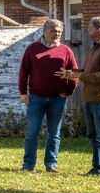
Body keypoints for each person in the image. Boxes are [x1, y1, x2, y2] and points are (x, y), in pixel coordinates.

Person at [58, 16, 100, 177]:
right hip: (91, 97)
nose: (87, 30)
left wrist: (80, 77)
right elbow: (89, 72)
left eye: (90, 27)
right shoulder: (96, 48)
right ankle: (97, 168)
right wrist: (72, 74)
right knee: (93, 135)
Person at [17, 18, 78, 172]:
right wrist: (23, 93)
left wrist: (68, 91)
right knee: (32, 132)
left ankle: (51, 164)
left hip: (57, 98)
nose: (56, 33)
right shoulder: (33, 48)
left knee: (54, 133)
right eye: (53, 30)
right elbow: (24, 72)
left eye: (59, 31)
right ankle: (28, 164)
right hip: (36, 98)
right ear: (45, 31)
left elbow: (74, 73)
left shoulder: (66, 51)